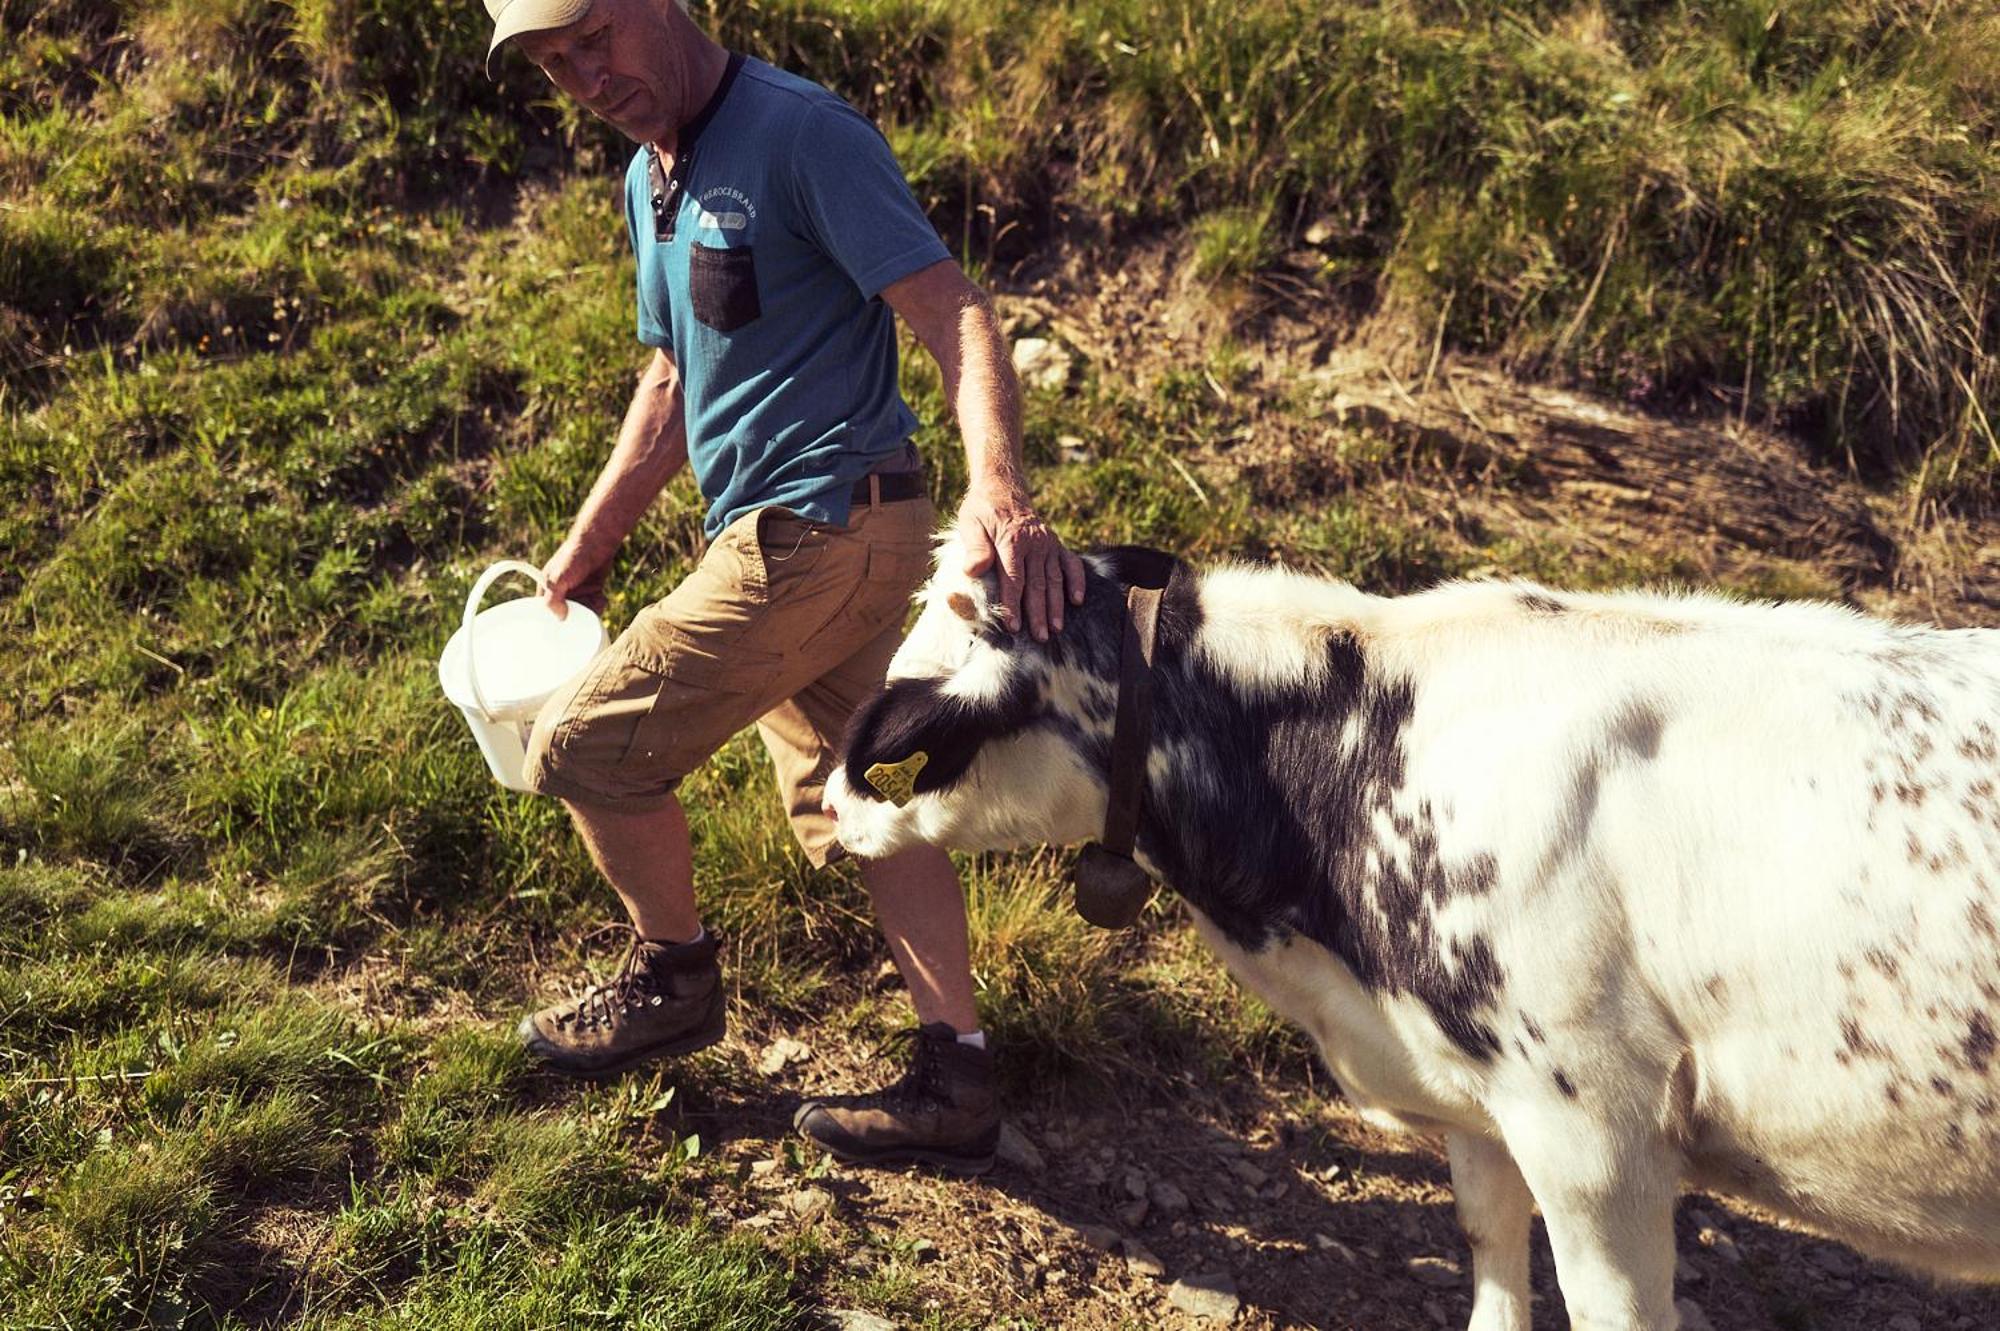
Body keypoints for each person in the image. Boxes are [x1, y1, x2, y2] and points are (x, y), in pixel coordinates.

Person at [480, 0, 1087, 1175]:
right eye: (555, 63)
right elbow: (670, 375)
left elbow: (952, 310)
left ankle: (672, 981)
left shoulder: (800, 134)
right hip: (801, 538)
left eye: (593, 38)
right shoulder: (651, 175)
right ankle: (955, 1071)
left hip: (815, 531)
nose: (584, 76)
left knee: (582, 749)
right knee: (859, 796)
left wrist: (1001, 492)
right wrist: (592, 538)